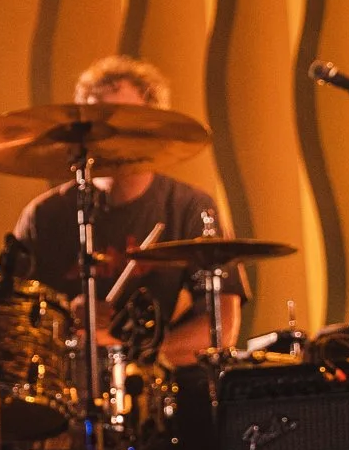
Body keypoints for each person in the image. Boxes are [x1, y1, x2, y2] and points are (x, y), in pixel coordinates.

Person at [12, 53, 243, 366]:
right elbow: (11, 326)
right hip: (65, 381)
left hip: (154, 383)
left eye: (125, 121)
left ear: (152, 129)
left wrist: (130, 361)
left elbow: (221, 328)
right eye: (97, 122)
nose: (109, 133)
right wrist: (64, 317)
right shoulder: (44, 216)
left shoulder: (188, 208)